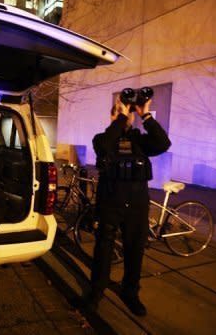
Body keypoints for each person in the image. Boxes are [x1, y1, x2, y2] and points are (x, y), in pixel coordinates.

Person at [87, 95, 171, 316]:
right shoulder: (103, 139)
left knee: (135, 252)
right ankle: (96, 293)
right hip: (110, 205)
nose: (124, 115)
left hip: (136, 207)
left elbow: (164, 143)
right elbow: (104, 146)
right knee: (103, 251)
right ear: (113, 115)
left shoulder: (141, 142)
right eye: (118, 111)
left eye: (127, 112)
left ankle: (130, 293)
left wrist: (145, 115)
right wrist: (120, 119)